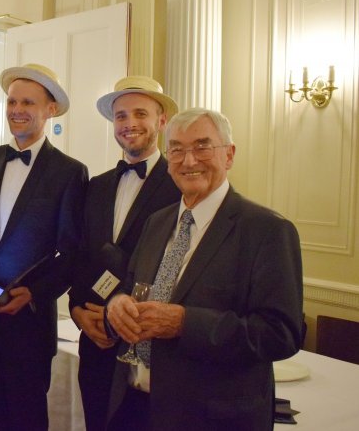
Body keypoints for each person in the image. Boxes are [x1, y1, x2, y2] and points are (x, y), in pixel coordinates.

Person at [105, 108, 304, 431]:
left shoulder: (266, 230)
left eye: (202, 147)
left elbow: (280, 334)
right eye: (178, 150)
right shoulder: (158, 222)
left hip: (211, 417)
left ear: (229, 155)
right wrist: (117, 305)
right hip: (133, 405)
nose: (189, 161)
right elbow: (130, 286)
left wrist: (185, 323)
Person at [0, 63, 89, 431]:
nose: (16, 109)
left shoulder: (69, 172)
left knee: (26, 416)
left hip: (29, 321)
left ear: (51, 109)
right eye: (12, 101)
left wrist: (34, 294)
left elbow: (70, 250)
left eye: (28, 102)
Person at [68, 76, 181, 431]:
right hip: (97, 340)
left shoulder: (180, 184)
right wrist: (75, 309)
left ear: (161, 121)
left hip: (151, 342)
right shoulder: (96, 186)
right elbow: (81, 255)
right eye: (120, 116)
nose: (129, 123)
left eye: (140, 114)